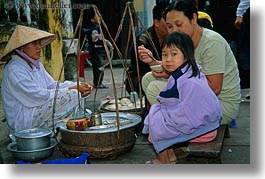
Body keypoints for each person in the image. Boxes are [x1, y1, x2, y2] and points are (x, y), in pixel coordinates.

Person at [139, 0, 241, 125]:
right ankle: (176, 121)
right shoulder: (184, 42)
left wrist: (173, 78)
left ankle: (175, 124)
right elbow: (183, 69)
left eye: (179, 24)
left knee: (154, 88)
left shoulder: (212, 43)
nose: (174, 31)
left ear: (193, 18)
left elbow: (214, 88)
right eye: (170, 27)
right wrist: (153, 62)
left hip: (218, 105)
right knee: (148, 79)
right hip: (198, 95)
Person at [143, 31, 222, 164]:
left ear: (186, 56)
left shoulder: (190, 82)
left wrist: (161, 116)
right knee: (157, 117)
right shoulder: (187, 71)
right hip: (206, 124)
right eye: (164, 54)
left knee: (157, 125)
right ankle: (170, 156)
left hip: (203, 129)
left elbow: (189, 113)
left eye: (174, 54)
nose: (168, 59)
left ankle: (163, 161)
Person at [0, 25, 93, 134]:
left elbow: (51, 85)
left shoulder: (35, 65)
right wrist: (72, 88)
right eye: (34, 43)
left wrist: (77, 84)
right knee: (73, 95)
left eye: (39, 43)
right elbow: (39, 96)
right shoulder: (14, 70)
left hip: (37, 109)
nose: (39, 47)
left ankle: (65, 132)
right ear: (22, 47)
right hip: (24, 119)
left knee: (76, 94)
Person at [125, 2, 168, 94]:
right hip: (141, 77)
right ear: (156, 22)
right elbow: (145, 67)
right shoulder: (143, 39)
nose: (171, 25)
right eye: (167, 22)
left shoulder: (172, 38)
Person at [85, 6, 109, 89]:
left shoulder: (97, 28)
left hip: (98, 51)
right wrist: (104, 41)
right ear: (92, 19)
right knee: (98, 68)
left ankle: (99, 82)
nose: (100, 18)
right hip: (95, 51)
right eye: (97, 16)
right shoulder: (94, 29)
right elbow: (95, 39)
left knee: (100, 67)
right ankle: (98, 83)